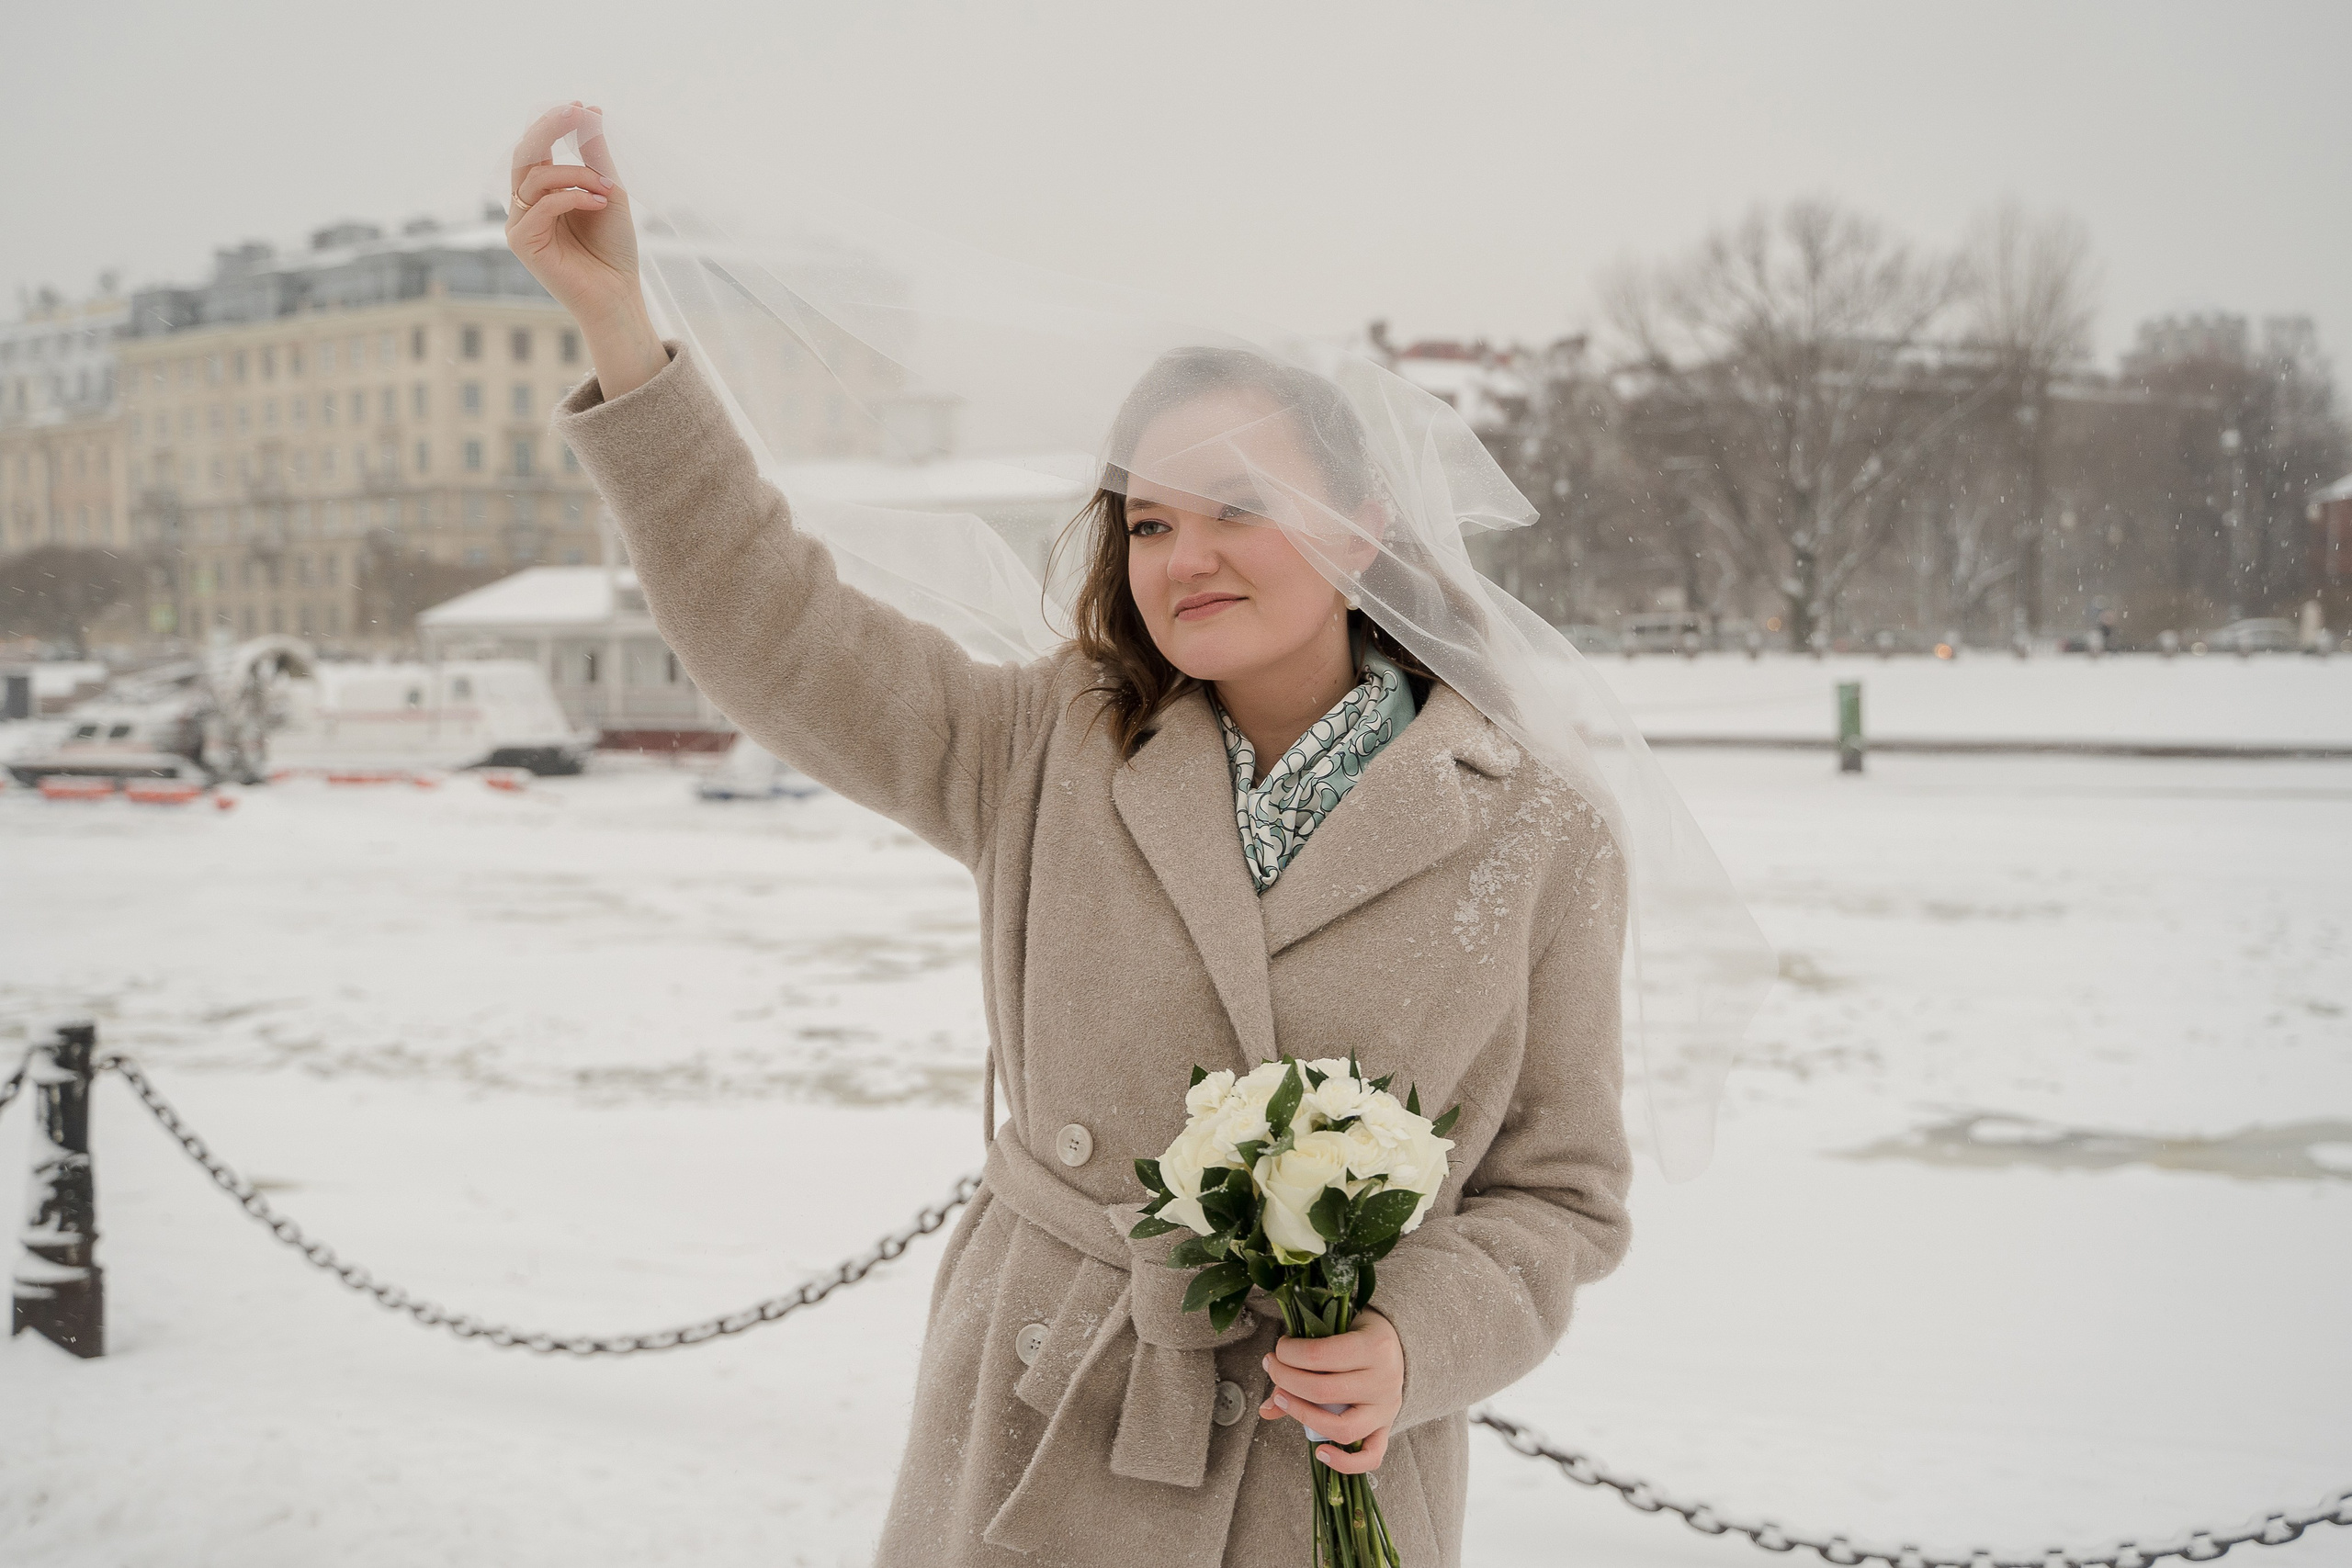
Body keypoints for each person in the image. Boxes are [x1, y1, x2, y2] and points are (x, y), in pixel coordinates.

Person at [507, 102, 1633, 1568]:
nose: (1185, 557)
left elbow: (1561, 1192)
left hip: (1322, 1466)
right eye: (1148, 522)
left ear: (1361, 528)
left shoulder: (1539, 830)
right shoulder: (1046, 748)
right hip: (1047, 1410)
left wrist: (1418, 1341)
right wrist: (617, 323)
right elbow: (770, 624)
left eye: (1240, 507)